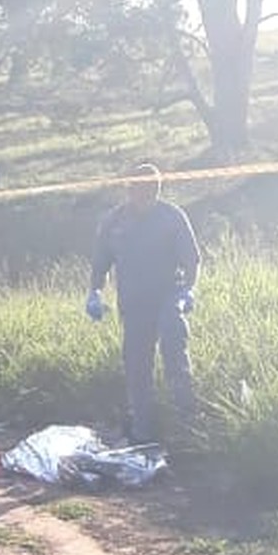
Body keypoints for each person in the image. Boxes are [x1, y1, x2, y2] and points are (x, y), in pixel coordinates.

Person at [87, 162, 200, 442]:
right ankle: (143, 431)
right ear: (129, 189)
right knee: (137, 366)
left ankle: (188, 427)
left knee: (175, 354)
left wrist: (189, 290)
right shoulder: (114, 222)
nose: (144, 194)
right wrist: (95, 292)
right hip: (134, 304)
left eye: (151, 189)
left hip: (168, 297)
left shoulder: (172, 217)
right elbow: (100, 262)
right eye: (139, 188)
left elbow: (192, 260)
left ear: (157, 190)